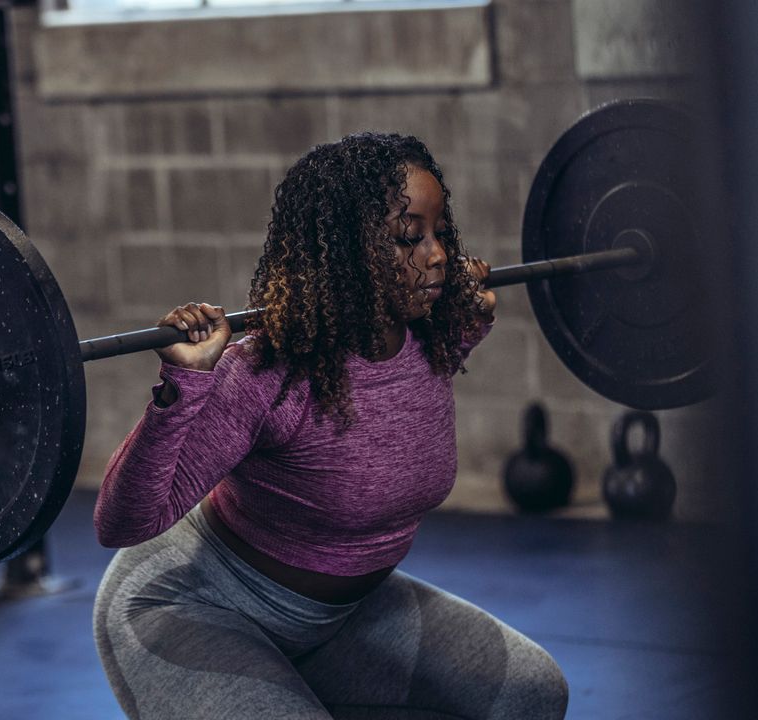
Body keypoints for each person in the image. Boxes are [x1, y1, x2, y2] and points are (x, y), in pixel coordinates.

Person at [93, 132, 568, 719]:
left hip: (340, 619)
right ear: (346, 252)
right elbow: (122, 521)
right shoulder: (266, 374)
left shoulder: (434, 340)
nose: (438, 254)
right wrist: (181, 387)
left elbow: (435, 351)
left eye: (438, 232)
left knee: (529, 692)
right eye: (407, 237)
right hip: (193, 605)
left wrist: (469, 311)